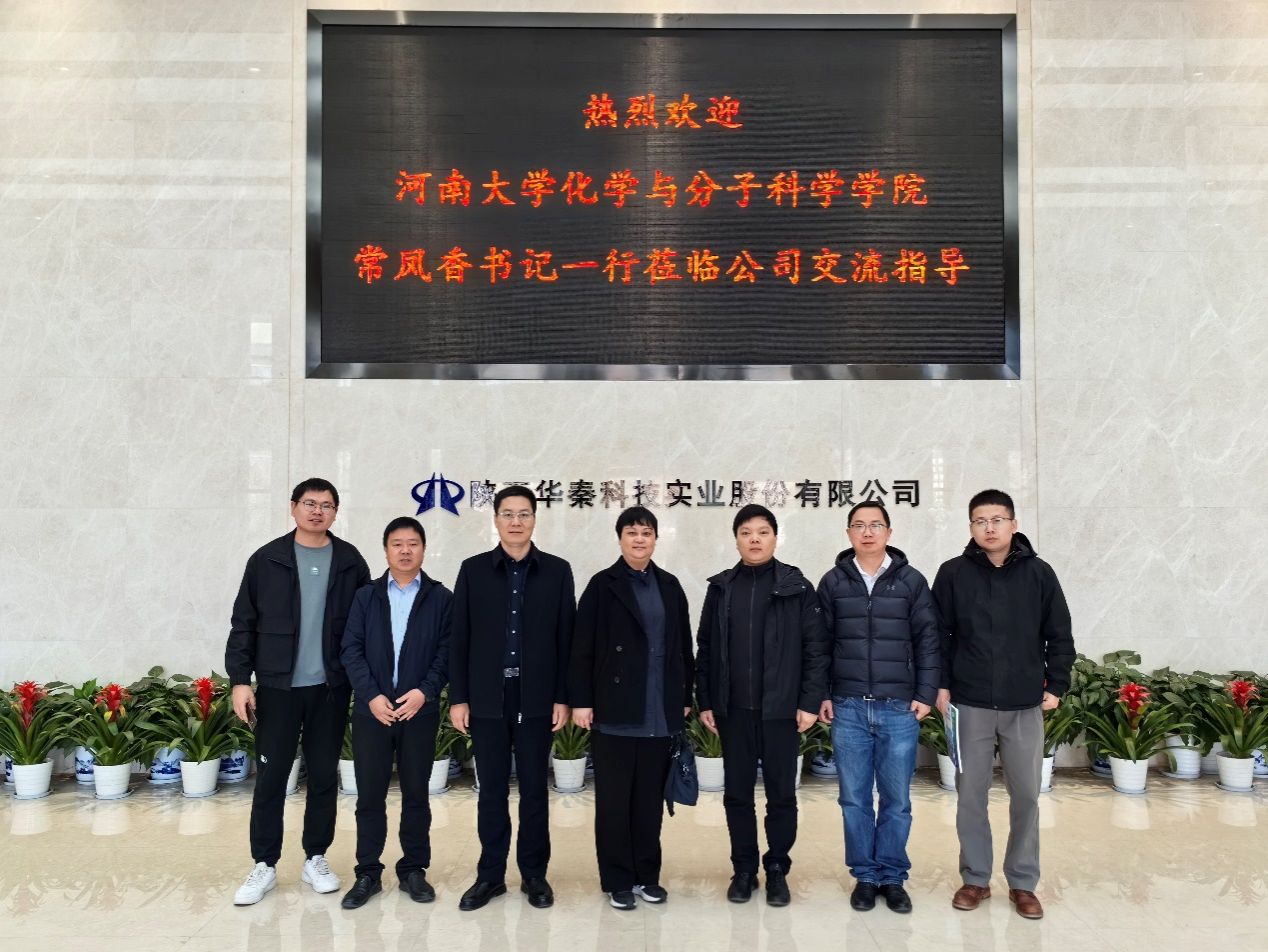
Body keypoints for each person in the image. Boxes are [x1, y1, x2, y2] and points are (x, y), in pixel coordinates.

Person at [225, 477, 371, 906]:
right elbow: (243, 622)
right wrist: (240, 680)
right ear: (293, 507)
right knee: (272, 777)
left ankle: (316, 857)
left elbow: (365, 626)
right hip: (277, 687)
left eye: (327, 505)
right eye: (310, 503)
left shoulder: (349, 561)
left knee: (324, 776)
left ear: (335, 512)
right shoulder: (267, 559)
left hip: (330, 688)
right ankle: (264, 864)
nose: (317, 511)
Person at [932, 489, 1075, 921]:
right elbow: (937, 636)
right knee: (970, 795)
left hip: (1024, 703)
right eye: (980, 521)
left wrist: (1057, 684)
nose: (989, 528)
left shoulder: (1039, 574)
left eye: (997, 520)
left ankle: (1023, 882)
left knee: (1027, 795)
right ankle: (975, 878)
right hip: (969, 703)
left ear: (1014, 524)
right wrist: (940, 685)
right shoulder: (953, 573)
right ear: (970, 527)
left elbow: (1060, 634)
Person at [448, 485, 575, 911]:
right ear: (496, 520)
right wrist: (460, 697)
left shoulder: (557, 572)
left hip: (537, 696)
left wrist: (562, 696)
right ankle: (490, 876)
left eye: (523, 514)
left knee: (535, 789)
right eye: (508, 514)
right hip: (488, 696)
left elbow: (566, 639)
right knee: (491, 791)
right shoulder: (473, 570)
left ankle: (534, 875)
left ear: (534, 520)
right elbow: (460, 638)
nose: (516, 522)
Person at [695, 503, 829, 906]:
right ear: (736, 539)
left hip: (781, 711)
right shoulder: (721, 588)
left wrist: (809, 701)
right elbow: (705, 648)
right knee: (737, 794)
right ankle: (743, 870)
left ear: (775, 537)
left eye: (763, 532)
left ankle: (776, 869)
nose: (754, 539)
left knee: (781, 796)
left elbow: (816, 649)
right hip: (733, 710)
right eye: (746, 532)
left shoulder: (796, 587)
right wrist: (707, 700)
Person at [816, 502, 941, 914]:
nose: (867, 532)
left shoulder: (911, 581)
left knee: (896, 800)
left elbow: (928, 640)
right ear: (848, 533)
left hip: (898, 708)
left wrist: (925, 693)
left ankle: (892, 876)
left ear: (888, 531)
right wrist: (822, 694)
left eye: (875, 525)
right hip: (848, 707)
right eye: (859, 525)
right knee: (854, 799)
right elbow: (819, 644)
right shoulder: (833, 582)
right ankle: (865, 876)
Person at [568, 506, 695, 911]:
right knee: (614, 803)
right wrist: (582, 700)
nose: (639, 539)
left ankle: (647, 876)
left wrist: (685, 697)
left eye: (646, 532)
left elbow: (683, 647)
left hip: (659, 710)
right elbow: (582, 647)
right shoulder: (602, 585)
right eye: (631, 532)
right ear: (620, 538)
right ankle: (618, 880)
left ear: (656, 539)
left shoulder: (670, 585)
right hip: (615, 709)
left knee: (649, 802)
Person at [338, 516, 452, 909]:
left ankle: (413, 870)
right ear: (386, 550)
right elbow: (350, 649)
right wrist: (370, 695)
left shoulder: (441, 598)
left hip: (419, 712)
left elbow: (447, 651)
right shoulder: (365, 597)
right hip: (373, 713)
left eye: (413, 543)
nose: (405, 551)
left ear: (424, 549)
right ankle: (368, 872)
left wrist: (424, 692)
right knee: (369, 796)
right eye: (397, 544)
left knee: (416, 794)